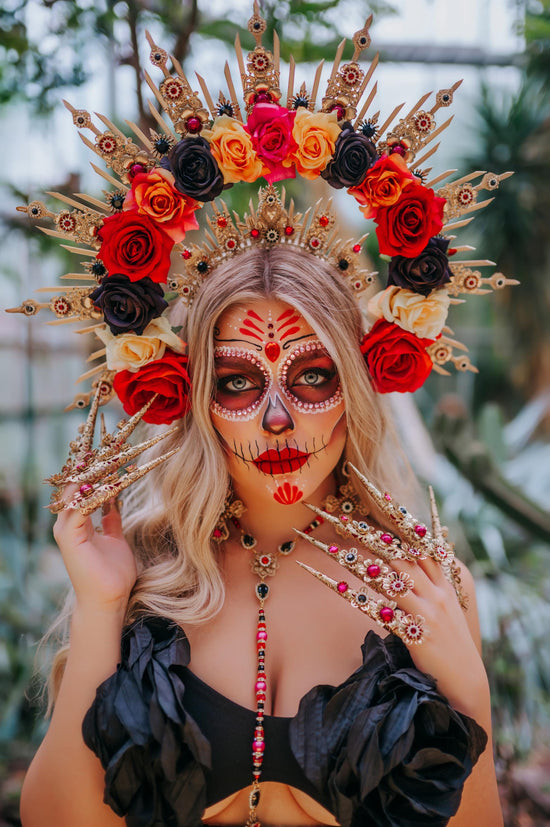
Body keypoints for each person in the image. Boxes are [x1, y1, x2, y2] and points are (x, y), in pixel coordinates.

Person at [15, 7, 509, 826]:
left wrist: (467, 691)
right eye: (240, 382)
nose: (278, 418)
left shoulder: (423, 586)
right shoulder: (144, 572)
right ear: (197, 398)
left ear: (356, 386)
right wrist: (101, 606)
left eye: (312, 375)